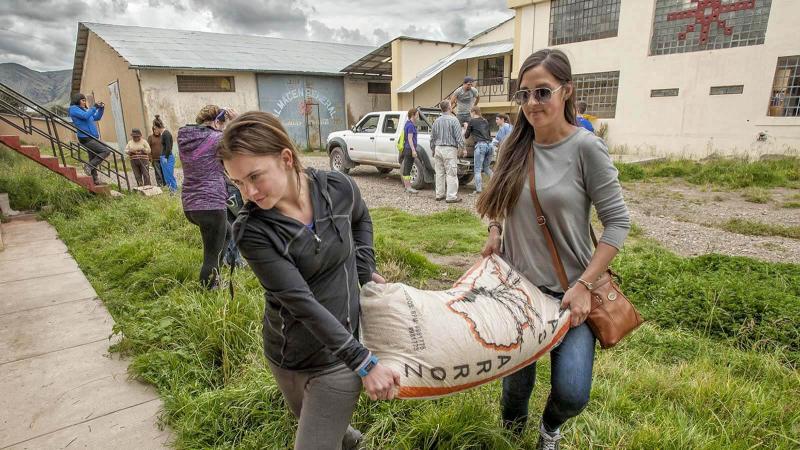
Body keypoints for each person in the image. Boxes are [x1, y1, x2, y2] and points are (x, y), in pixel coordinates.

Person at [476, 49, 630, 449]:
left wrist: (584, 284)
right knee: (514, 391)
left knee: (573, 393)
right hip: (518, 293)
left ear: (566, 92)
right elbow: (501, 200)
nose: (531, 104)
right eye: (523, 95)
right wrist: (495, 229)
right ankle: (511, 439)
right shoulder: (514, 145)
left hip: (571, 295)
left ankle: (549, 429)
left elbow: (618, 223)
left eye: (542, 92)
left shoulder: (586, 148)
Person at [220, 111, 400, 450]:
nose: (249, 192)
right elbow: (300, 302)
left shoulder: (339, 187)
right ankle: (349, 442)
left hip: (338, 356)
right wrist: (366, 362)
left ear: (286, 158)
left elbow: (361, 219)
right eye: (238, 183)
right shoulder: (252, 230)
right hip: (286, 355)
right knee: (321, 427)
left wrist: (364, 268)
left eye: (255, 177)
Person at [178, 105, 235, 289]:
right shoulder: (217, 138)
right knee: (211, 254)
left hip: (191, 204)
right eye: (222, 123)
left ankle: (214, 278)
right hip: (211, 204)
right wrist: (235, 121)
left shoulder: (185, 138)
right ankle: (208, 288)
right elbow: (244, 137)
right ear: (217, 121)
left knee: (227, 232)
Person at [431, 101, 465, 203]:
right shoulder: (454, 120)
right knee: (451, 173)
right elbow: (459, 137)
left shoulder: (436, 121)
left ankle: (439, 194)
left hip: (438, 148)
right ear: (450, 108)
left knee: (439, 173)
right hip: (450, 149)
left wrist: (433, 149)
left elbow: (432, 137)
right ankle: (451, 196)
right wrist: (462, 148)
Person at [68, 93, 107, 184]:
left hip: (92, 137)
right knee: (105, 151)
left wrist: (101, 108)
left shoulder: (85, 110)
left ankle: (95, 180)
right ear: (77, 100)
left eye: (85, 100)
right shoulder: (73, 109)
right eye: (83, 100)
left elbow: (96, 117)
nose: (84, 102)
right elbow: (85, 116)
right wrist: (94, 107)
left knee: (92, 157)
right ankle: (88, 166)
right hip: (86, 137)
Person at [464, 106, 492, 195]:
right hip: (490, 145)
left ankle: (478, 190)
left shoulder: (472, 121)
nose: (470, 115)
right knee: (487, 168)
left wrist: (466, 127)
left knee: (477, 170)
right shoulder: (485, 120)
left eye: (470, 113)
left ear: (473, 112)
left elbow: (466, 136)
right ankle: (496, 185)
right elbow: (489, 134)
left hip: (480, 146)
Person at [154, 115, 177, 192]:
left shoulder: (166, 134)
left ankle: (174, 191)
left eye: (155, 128)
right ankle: (171, 191)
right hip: (164, 157)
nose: (154, 130)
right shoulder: (163, 134)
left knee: (169, 176)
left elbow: (168, 147)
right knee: (166, 176)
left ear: (157, 127)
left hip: (167, 157)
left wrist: (166, 158)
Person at [400, 108, 419, 194]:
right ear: (413, 115)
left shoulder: (407, 124)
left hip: (407, 149)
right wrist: (413, 150)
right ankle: (408, 187)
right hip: (409, 149)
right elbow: (410, 139)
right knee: (407, 169)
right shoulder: (410, 125)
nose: (418, 116)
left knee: (407, 168)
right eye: (417, 115)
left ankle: (407, 187)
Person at [147, 122, 165, 187]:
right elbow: (148, 148)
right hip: (155, 159)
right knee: (158, 173)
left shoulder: (163, 137)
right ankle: (160, 185)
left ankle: (165, 184)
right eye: (155, 130)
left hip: (163, 158)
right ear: (153, 130)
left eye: (157, 129)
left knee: (164, 172)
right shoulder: (150, 137)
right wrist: (150, 157)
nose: (156, 131)